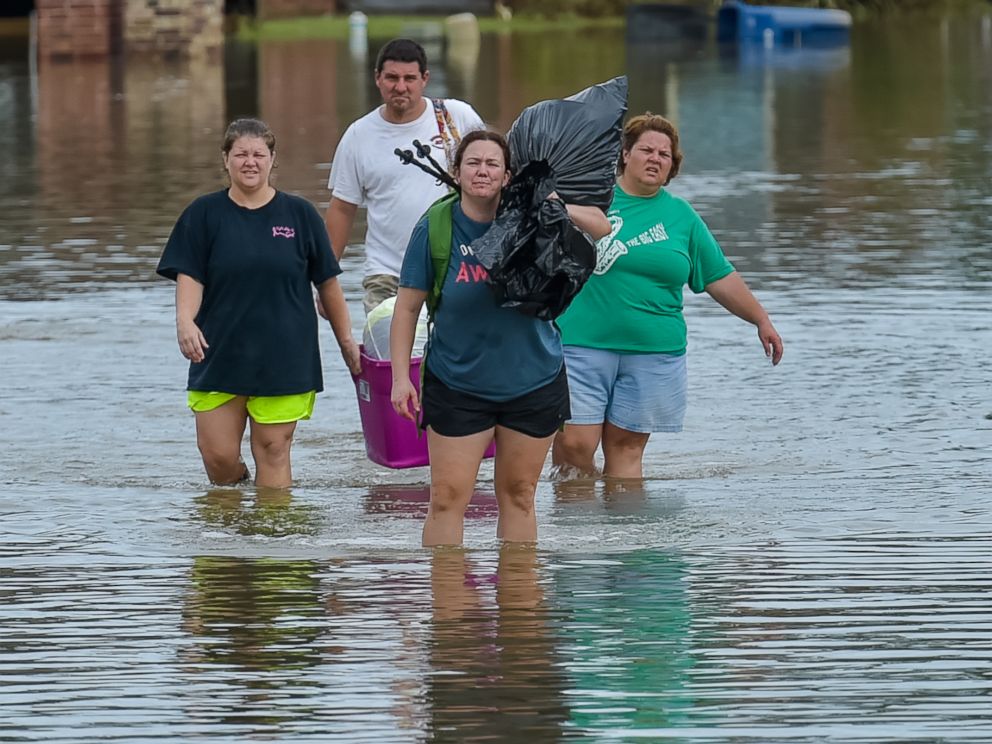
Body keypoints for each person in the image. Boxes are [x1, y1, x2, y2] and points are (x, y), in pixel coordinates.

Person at [389, 130, 610, 547]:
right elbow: (406, 307)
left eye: (493, 163)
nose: (482, 171)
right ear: (456, 172)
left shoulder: (533, 216)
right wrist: (401, 378)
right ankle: (449, 607)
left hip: (533, 380)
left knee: (520, 496)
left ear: (508, 176)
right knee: (447, 498)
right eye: (473, 162)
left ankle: (520, 607)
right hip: (457, 383)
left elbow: (601, 226)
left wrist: (552, 203)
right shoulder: (435, 227)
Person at [552, 112, 784, 479]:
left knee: (626, 449)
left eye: (665, 154)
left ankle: (625, 533)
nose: (656, 158)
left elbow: (717, 275)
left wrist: (760, 318)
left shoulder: (681, 216)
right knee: (575, 446)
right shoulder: (590, 201)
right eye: (647, 149)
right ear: (625, 154)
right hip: (581, 345)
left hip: (654, 352)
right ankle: (578, 533)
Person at [157, 117, 361, 489]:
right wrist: (185, 321)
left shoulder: (299, 215)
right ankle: (233, 522)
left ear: (272, 159)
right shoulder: (203, 215)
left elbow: (327, 283)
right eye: (240, 154)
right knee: (217, 455)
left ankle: (273, 538)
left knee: (273, 449)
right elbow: (190, 276)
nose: (250, 162)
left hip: (285, 353)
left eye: (258, 154)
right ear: (226, 159)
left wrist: (347, 340)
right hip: (219, 351)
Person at [325, 37, 484, 314]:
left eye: (410, 78)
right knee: (388, 356)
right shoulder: (358, 136)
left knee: (448, 355)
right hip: (385, 276)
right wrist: (326, 281)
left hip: (451, 267)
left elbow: (492, 175)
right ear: (377, 78)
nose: (400, 87)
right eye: (392, 78)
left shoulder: (455, 118)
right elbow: (342, 209)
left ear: (425, 78)